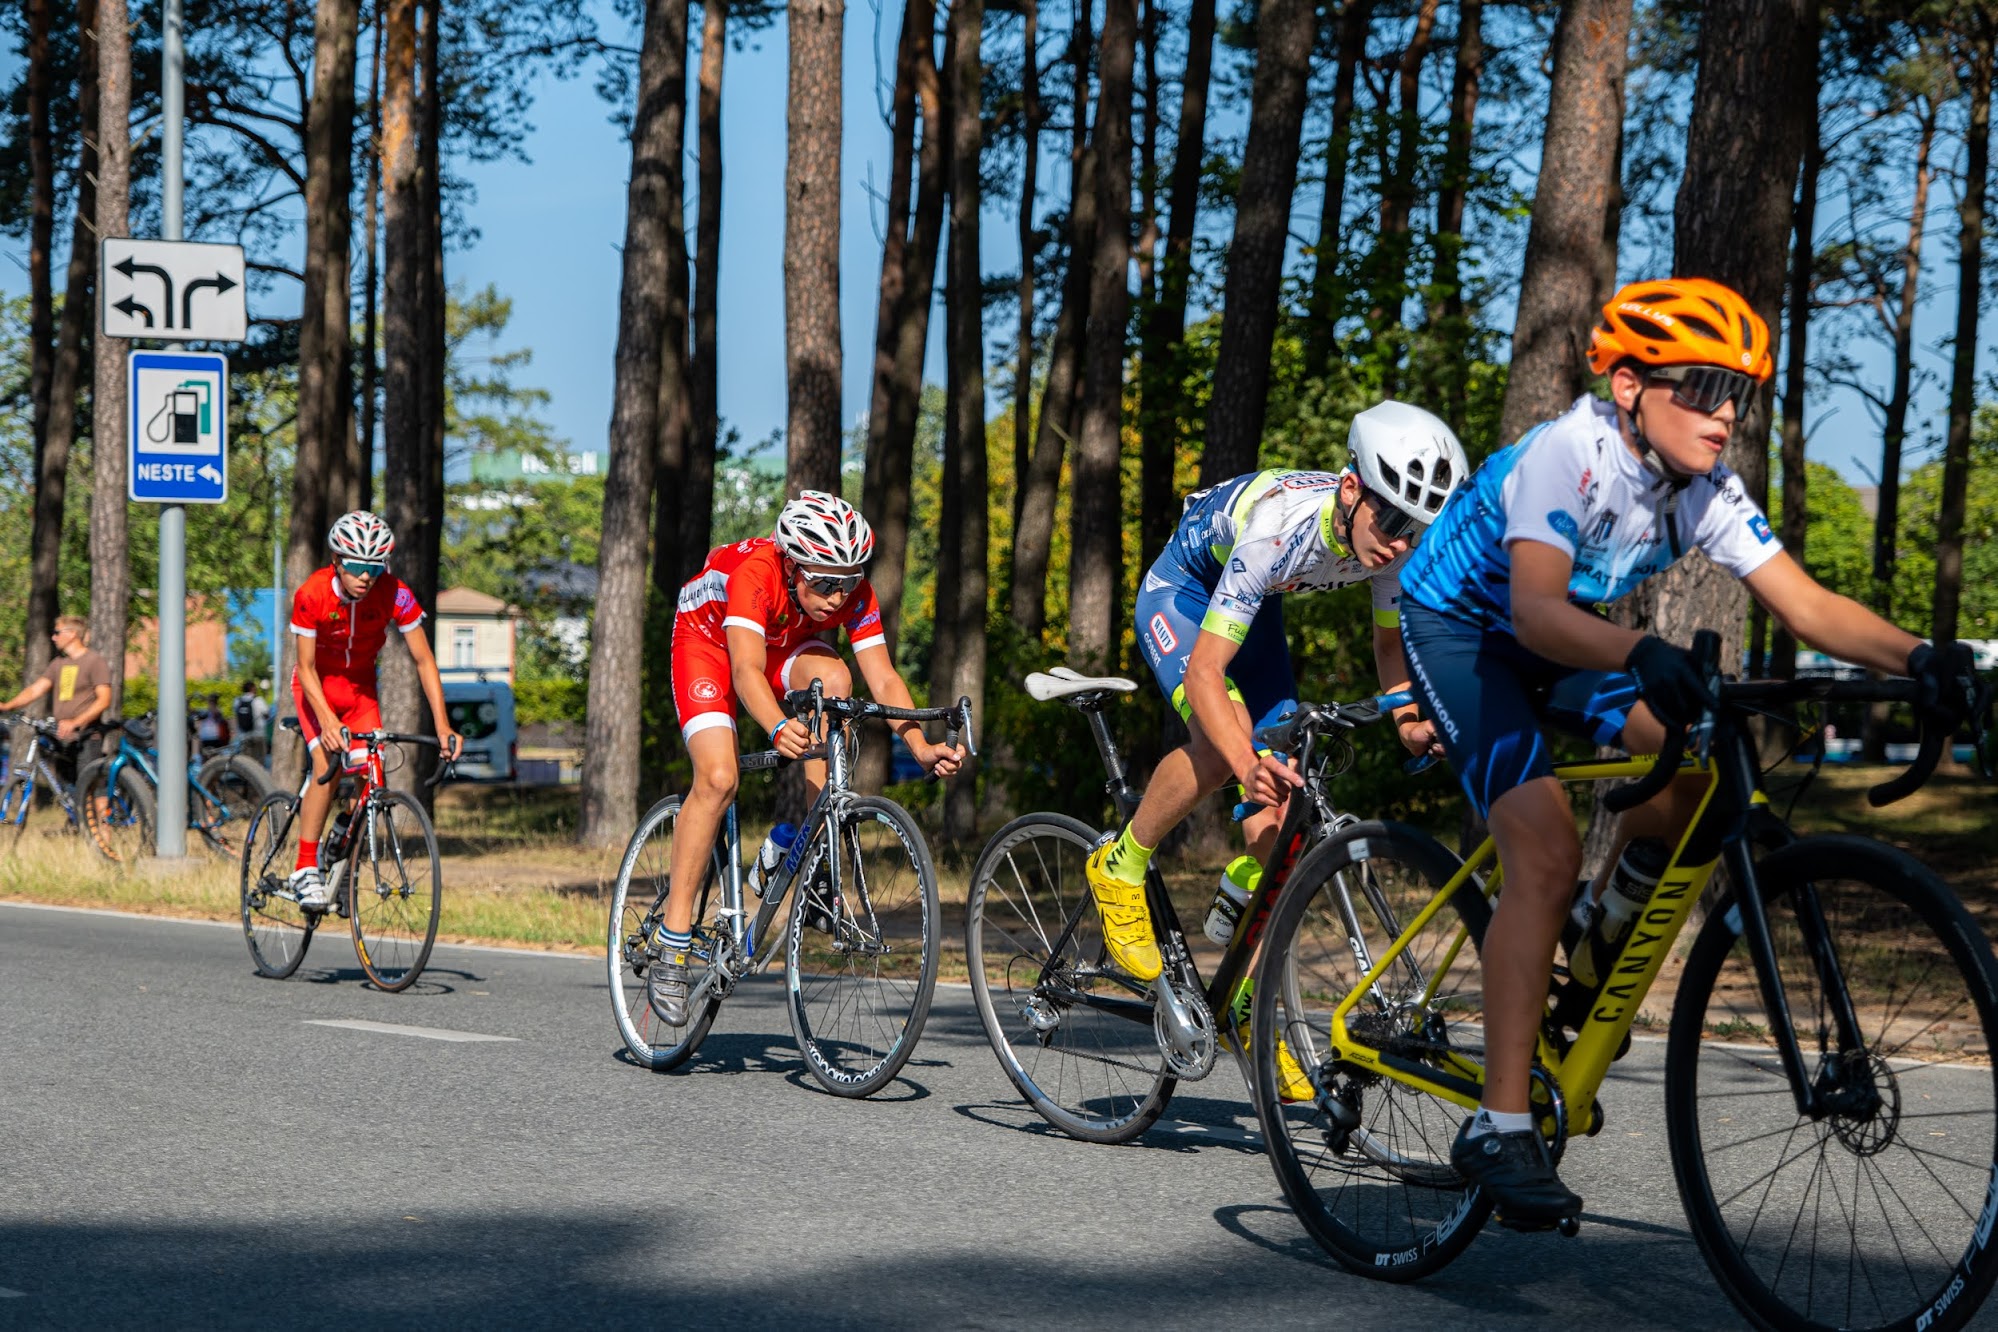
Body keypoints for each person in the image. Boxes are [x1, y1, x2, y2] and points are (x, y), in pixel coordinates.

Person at [1395, 276, 1988, 1228]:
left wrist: (1921, 656)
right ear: (1629, 386)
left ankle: (1591, 936)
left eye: (1738, 394)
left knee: (1702, 777)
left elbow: (1808, 605)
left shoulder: (1705, 489)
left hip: (1555, 633)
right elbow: (1535, 612)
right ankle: (1497, 1125)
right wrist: (1641, 650)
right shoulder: (1567, 453)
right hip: (1462, 628)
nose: (1725, 415)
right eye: (1703, 387)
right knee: (1542, 849)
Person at [1082, 402, 1468, 1093]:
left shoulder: (1389, 546)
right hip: (1184, 596)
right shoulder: (1278, 531)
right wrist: (1244, 760)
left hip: (1252, 614)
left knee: (1284, 832)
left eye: (1417, 528)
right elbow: (1204, 674)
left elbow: (1389, 647)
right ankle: (1121, 863)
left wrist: (1410, 722)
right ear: (1351, 490)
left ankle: (1243, 1008)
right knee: (1220, 738)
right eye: (1392, 521)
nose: (1401, 543)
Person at [651, 491, 966, 1025]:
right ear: (792, 565)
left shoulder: (850, 590)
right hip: (707, 643)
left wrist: (917, 745)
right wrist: (777, 725)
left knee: (836, 681)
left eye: (847, 583)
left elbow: (883, 676)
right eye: (823, 584)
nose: (836, 597)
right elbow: (745, 671)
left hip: (776, 644)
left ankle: (808, 842)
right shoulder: (757, 573)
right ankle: (672, 943)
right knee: (720, 777)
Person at [287, 511, 461, 910]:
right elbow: (306, 668)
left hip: (360, 693)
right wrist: (328, 721)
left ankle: (342, 845)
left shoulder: (395, 593)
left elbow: (424, 661)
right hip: (316, 690)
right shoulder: (312, 594)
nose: (366, 576)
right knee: (327, 765)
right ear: (337, 560)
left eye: (375, 566)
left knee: (372, 771)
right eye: (355, 566)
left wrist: (443, 725)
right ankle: (304, 867)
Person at [1, 616, 115, 787]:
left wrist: (75, 722)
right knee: (68, 791)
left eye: (57, 633)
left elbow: (104, 700)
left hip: (87, 737)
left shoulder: (93, 661)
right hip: (63, 738)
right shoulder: (59, 664)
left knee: (92, 790)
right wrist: (7, 706)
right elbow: (35, 690)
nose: (53, 637)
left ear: (72, 634)